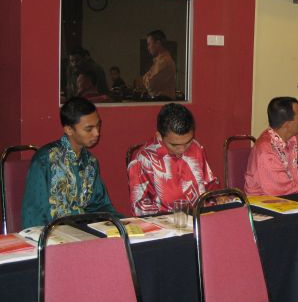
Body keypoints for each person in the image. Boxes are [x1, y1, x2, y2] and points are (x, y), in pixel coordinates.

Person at [21, 97, 118, 228]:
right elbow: (34, 214)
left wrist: (124, 223)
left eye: (98, 125)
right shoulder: (46, 160)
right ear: (69, 130)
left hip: (82, 231)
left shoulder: (90, 162)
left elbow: (100, 205)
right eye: (89, 129)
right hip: (51, 233)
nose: (97, 133)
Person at [128, 103, 218, 215]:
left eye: (188, 142)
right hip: (166, 223)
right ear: (159, 136)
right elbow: (140, 209)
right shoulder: (143, 161)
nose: (182, 150)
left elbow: (209, 186)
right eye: (174, 145)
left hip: (200, 218)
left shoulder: (196, 148)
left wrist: (219, 198)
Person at [244, 97, 298, 196]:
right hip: (267, 203)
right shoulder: (266, 153)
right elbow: (287, 192)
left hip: (289, 199)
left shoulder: (290, 137)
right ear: (287, 125)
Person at [142, 30, 176, 100]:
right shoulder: (159, 61)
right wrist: (146, 78)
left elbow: (150, 85)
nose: (148, 48)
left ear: (158, 43)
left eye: (149, 44)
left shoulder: (164, 61)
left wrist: (146, 78)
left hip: (162, 101)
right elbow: (146, 79)